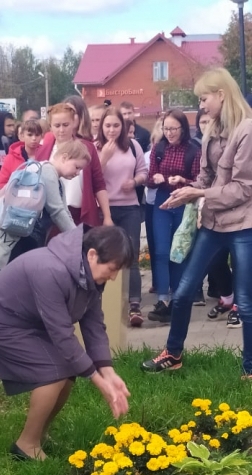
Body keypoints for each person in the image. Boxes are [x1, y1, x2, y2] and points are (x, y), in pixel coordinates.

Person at [142, 68, 252, 379]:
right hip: (213, 223)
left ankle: (250, 371)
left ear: (221, 95)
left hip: (245, 225)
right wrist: (187, 194)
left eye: (204, 98)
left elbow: (242, 188)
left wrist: (198, 192)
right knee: (183, 292)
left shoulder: (248, 130)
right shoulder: (213, 130)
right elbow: (205, 177)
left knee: (246, 303)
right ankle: (173, 354)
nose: (201, 106)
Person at [0, 225, 133, 460]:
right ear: (92, 255)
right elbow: (62, 335)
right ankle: (26, 445)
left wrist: (108, 372)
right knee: (54, 372)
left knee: (67, 370)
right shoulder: (51, 270)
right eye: (112, 269)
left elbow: (94, 324)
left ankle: (38, 436)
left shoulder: (87, 274)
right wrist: (98, 381)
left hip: (28, 321)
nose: (113, 276)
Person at [0, 140, 84, 267]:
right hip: (13, 240)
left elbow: (65, 211)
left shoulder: (53, 176)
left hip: (13, 235)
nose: (78, 173)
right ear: (64, 158)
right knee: (12, 283)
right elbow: (57, 212)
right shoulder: (48, 172)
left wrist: (77, 236)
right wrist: (78, 242)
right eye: (77, 167)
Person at [143, 109, 201, 323]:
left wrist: (183, 181)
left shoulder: (194, 150)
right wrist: (157, 178)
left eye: (173, 129)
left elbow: (199, 181)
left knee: (179, 251)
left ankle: (178, 299)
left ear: (183, 128)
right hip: (162, 201)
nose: (169, 133)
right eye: (166, 129)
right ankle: (162, 300)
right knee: (160, 251)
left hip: (183, 201)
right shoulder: (158, 148)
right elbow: (149, 179)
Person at [96, 106, 147, 326]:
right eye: (107, 125)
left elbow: (143, 172)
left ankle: (134, 306)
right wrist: (104, 158)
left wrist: (134, 182)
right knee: (104, 256)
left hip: (130, 208)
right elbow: (90, 175)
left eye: (116, 125)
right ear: (101, 126)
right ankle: (103, 303)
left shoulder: (133, 146)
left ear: (123, 126)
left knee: (132, 256)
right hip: (104, 208)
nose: (112, 129)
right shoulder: (95, 147)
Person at [35, 101, 112, 229]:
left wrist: (107, 216)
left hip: (83, 213)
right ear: (50, 126)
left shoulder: (87, 147)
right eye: (57, 125)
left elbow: (99, 183)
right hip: (52, 217)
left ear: (74, 123)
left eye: (65, 125)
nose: (61, 130)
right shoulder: (43, 151)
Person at [143, 119, 164, 294]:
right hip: (151, 202)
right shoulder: (146, 156)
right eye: (156, 141)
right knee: (154, 243)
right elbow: (146, 179)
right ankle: (157, 280)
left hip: (171, 201)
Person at [0, 118, 43, 188]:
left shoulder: (47, 154)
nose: (34, 138)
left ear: (41, 136)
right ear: (22, 136)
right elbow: (3, 183)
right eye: (30, 135)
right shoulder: (10, 158)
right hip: (17, 197)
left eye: (37, 135)